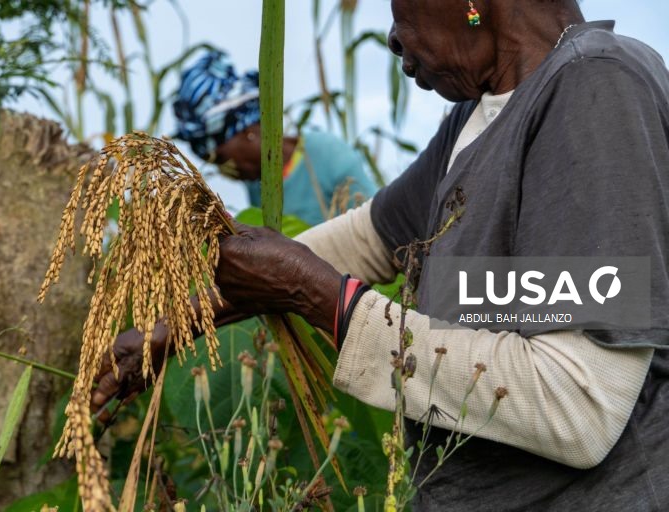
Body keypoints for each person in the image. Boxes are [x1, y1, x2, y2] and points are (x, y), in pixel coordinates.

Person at [93, 1, 669, 510]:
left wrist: (322, 299)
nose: (392, 34)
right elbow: (367, 239)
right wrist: (173, 327)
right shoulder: (478, 116)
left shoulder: (595, 87)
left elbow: (580, 407)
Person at [172, 50, 378, 226]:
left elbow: (375, 229)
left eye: (221, 158)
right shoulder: (257, 184)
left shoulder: (328, 155)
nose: (224, 171)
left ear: (247, 132)